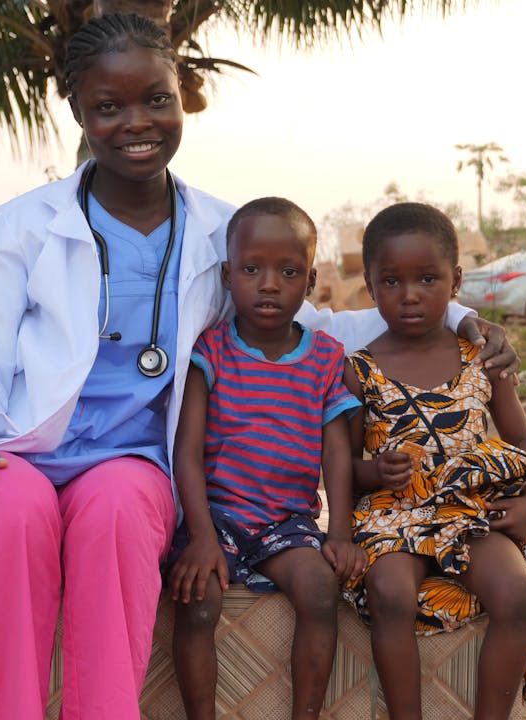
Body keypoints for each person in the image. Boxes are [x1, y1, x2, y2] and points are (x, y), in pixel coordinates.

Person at [0, 15, 519, 720]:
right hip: (15, 451)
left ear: (181, 97)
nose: (136, 122)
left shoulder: (227, 232)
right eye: (108, 106)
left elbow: (325, 326)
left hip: (134, 462)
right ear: (78, 114)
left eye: (156, 99)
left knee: (119, 511)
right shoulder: (25, 225)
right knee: (9, 512)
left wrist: (463, 317)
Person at [341, 203, 526, 720]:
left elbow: (523, 443)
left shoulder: (484, 361)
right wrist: (374, 471)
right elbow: (342, 467)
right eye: (391, 281)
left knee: (517, 596)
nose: (410, 296)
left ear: (456, 282)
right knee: (388, 592)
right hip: (391, 515)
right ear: (370, 285)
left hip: (468, 514)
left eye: (428, 279)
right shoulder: (360, 370)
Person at [167, 197, 367, 720]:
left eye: (288, 271)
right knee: (198, 600)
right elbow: (185, 453)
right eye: (252, 270)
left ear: (312, 280)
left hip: (288, 520)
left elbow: (336, 454)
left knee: (321, 591)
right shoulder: (209, 353)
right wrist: (203, 537)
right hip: (220, 517)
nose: (270, 284)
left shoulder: (325, 359)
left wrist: (340, 532)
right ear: (228, 276)